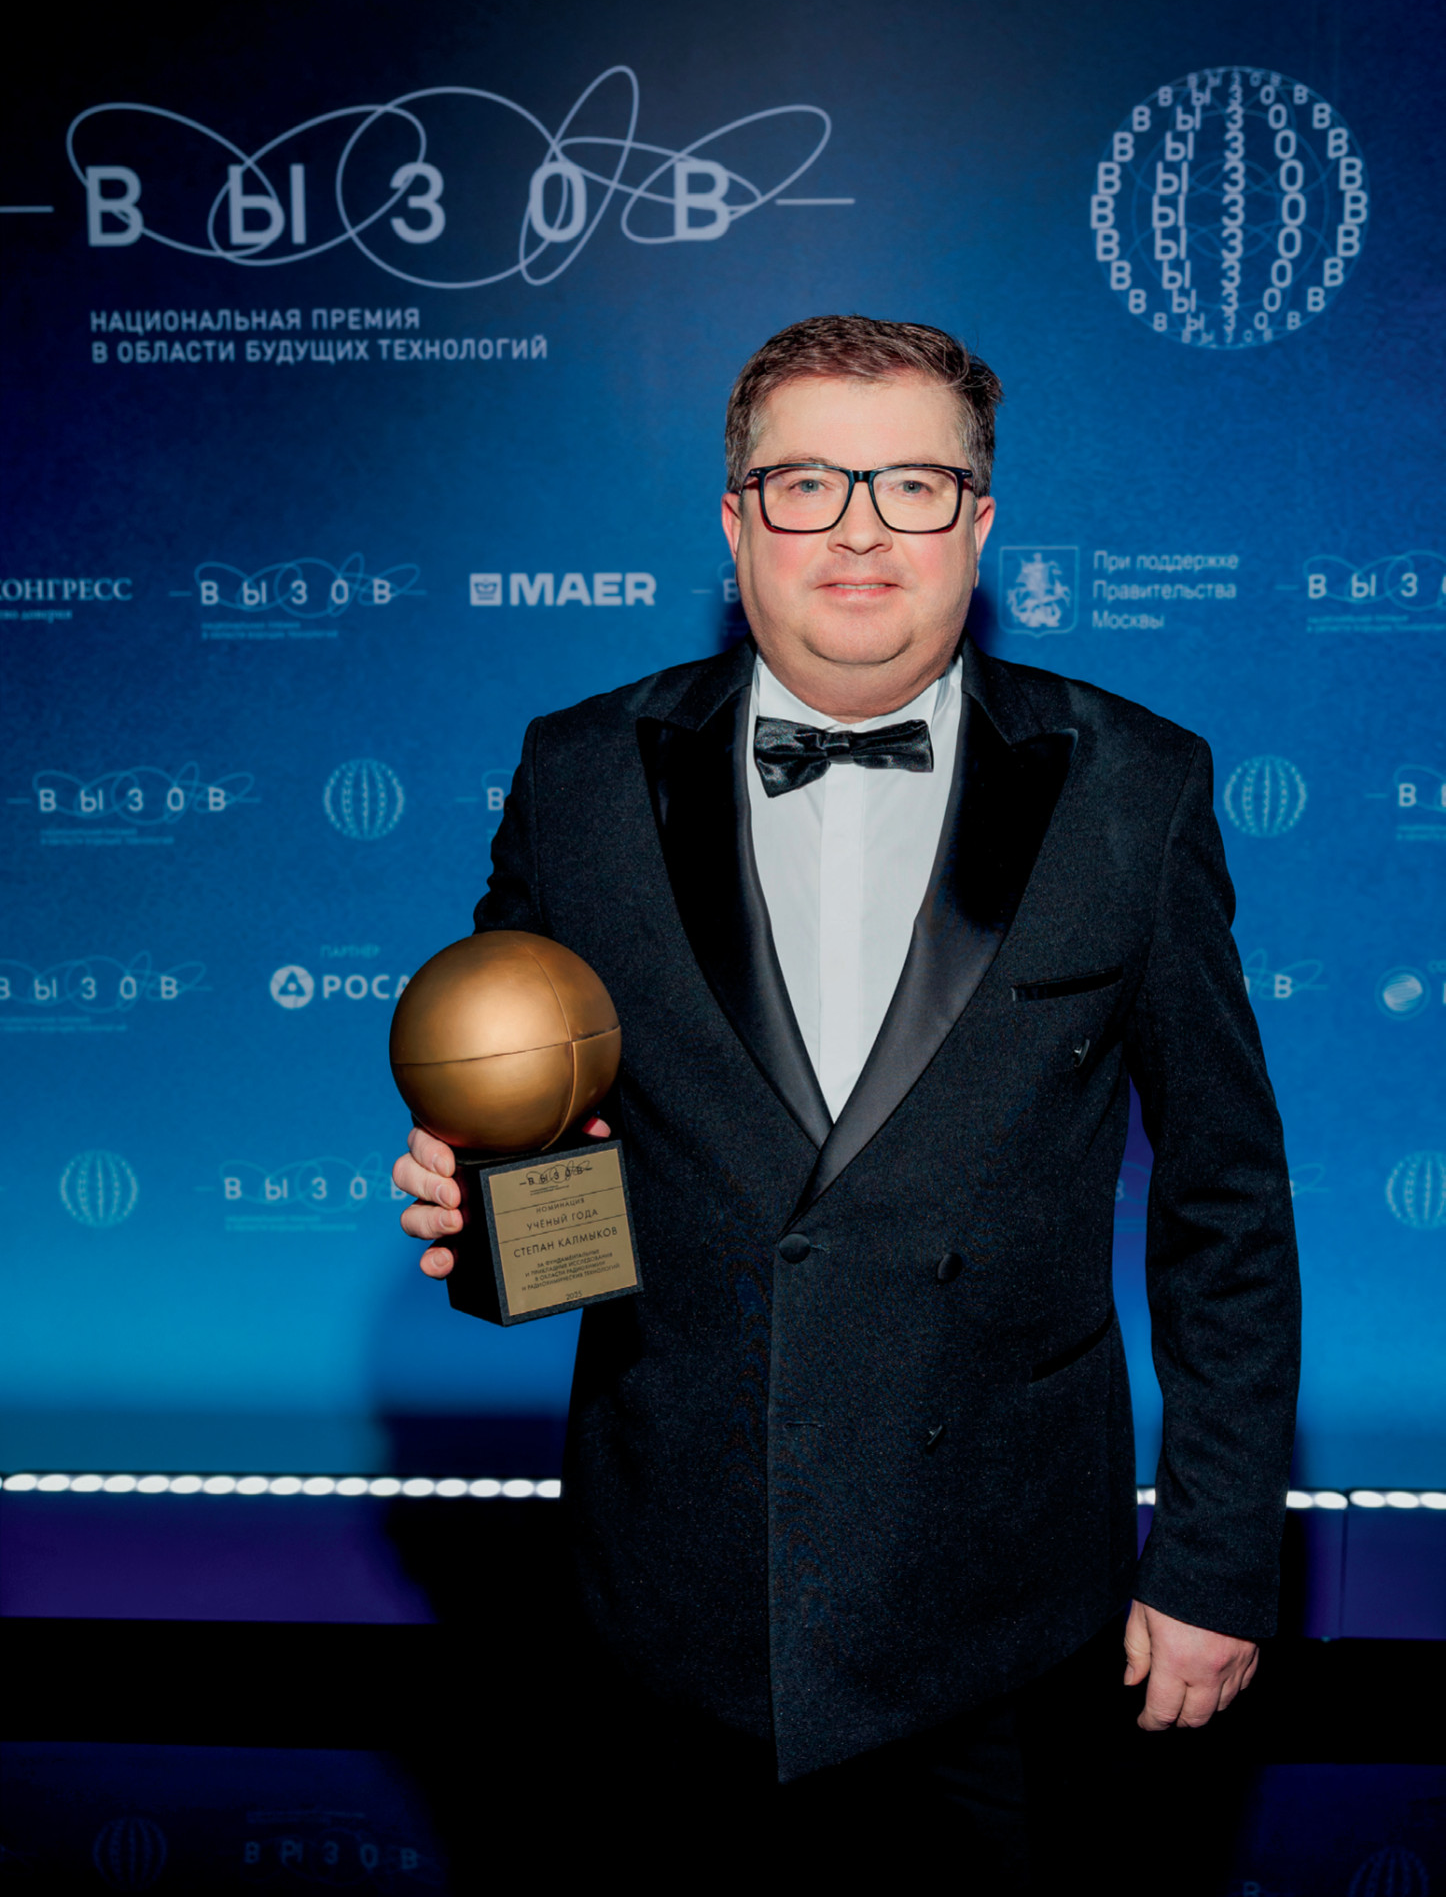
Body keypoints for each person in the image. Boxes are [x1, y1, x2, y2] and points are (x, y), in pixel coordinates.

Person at [392, 316, 1299, 1869]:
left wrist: (1214, 1563)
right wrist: (483, 1214)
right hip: (667, 1613)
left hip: (1010, 1628)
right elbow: (550, 1177)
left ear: (979, 522)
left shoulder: (1133, 785)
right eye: (806, 482)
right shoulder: (580, 776)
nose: (860, 532)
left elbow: (1222, 1205)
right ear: (734, 519)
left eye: (913, 486)